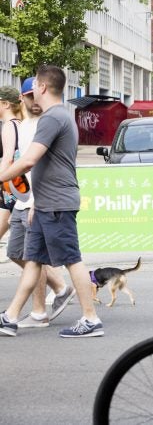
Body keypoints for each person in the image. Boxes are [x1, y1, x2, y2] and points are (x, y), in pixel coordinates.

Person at [0, 65, 103, 338]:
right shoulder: (58, 116)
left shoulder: (53, 118)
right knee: (33, 260)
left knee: (72, 260)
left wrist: (1, 177)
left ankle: (90, 319)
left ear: (43, 87)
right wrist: (35, 202)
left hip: (58, 203)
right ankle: (10, 317)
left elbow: (29, 160)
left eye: (34, 85)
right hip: (45, 203)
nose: (31, 91)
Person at [4, 77, 75, 328]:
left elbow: (35, 165)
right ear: (22, 98)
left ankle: (34, 312)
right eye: (29, 97)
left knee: (37, 257)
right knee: (18, 253)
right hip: (25, 201)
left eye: (36, 96)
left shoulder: (47, 123)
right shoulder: (23, 126)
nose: (34, 102)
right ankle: (59, 287)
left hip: (41, 201)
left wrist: (35, 201)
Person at [0, 86, 23, 262]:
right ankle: (60, 286)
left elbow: (8, 159)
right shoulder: (20, 124)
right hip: (16, 188)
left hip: (11, 189)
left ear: (6, 104)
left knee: (22, 250)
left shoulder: (9, 126)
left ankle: (59, 286)